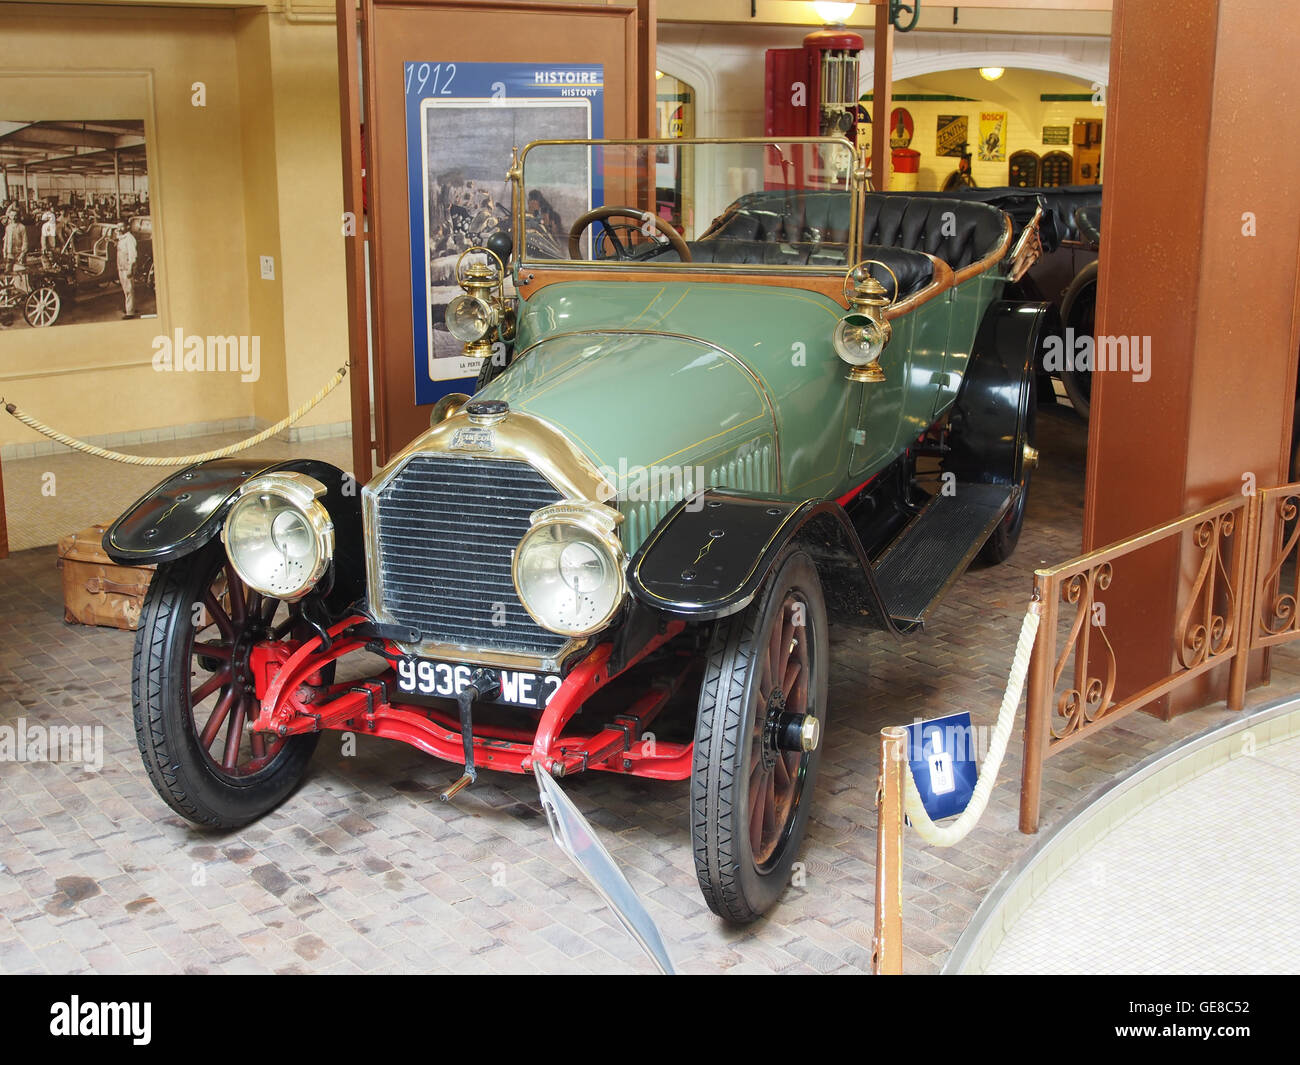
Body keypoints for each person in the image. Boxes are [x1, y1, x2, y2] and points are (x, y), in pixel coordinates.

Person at [115, 220, 138, 318]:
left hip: (127, 268)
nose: (119, 229)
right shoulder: (122, 238)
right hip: (121, 267)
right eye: (118, 227)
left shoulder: (129, 238)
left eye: (121, 227)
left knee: (129, 289)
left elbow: (133, 256)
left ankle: (130, 312)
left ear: (127, 227)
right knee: (126, 290)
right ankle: (129, 307)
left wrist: (130, 269)